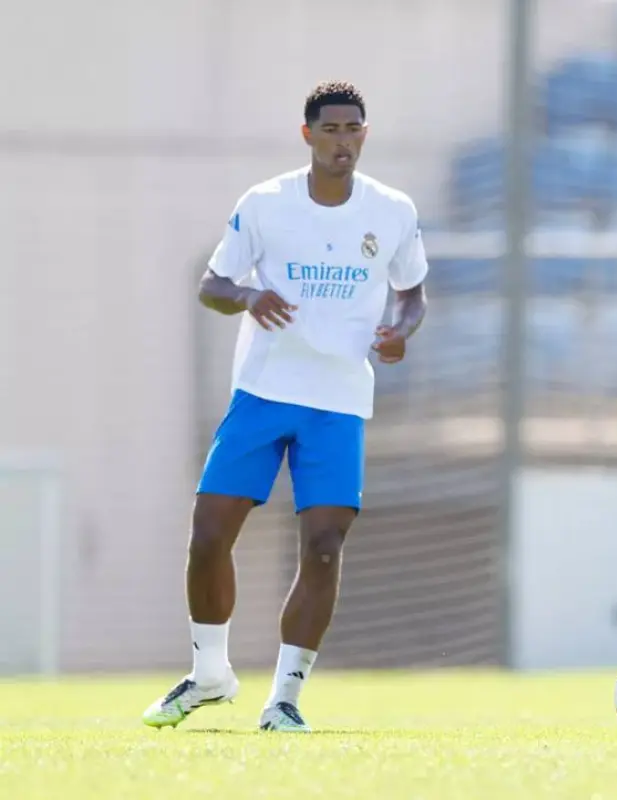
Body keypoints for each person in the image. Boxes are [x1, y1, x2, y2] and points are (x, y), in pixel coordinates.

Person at [142, 81, 429, 733]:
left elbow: (412, 293)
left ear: (365, 134)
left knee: (324, 547)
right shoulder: (266, 204)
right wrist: (247, 298)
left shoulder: (392, 211)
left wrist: (400, 332)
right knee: (210, 535)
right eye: (329, 129)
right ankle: (209, 672)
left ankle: (285, 699)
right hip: (264, 393)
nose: (342, 141)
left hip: (338, 403)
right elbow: (212, 283)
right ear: (307, 135)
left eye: (352, 129)